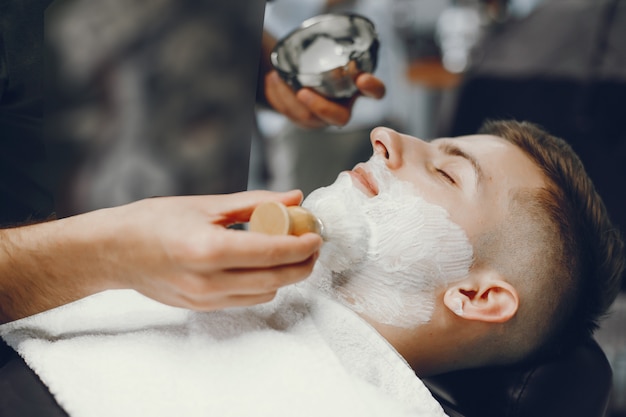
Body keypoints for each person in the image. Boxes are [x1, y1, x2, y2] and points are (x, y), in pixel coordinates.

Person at [1, 120, 623, 416]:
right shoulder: (160, 259)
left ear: (479, 296)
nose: (385, 136)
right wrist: (102, 252)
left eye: (444, 170)